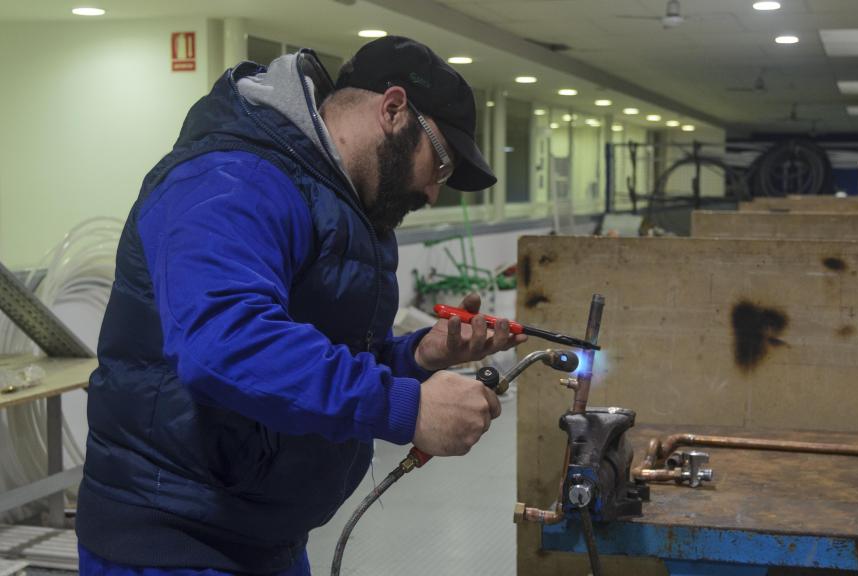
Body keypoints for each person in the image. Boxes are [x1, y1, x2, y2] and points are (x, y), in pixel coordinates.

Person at [75, 35, 525, 575]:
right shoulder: (233, 180)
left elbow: (306, 355)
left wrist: (414, 359)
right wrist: (407, 407)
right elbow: (228, 345)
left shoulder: (334, 198)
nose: (433, 192)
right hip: (176, 541)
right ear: (393, 109)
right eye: (441, 164)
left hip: (263, 533)